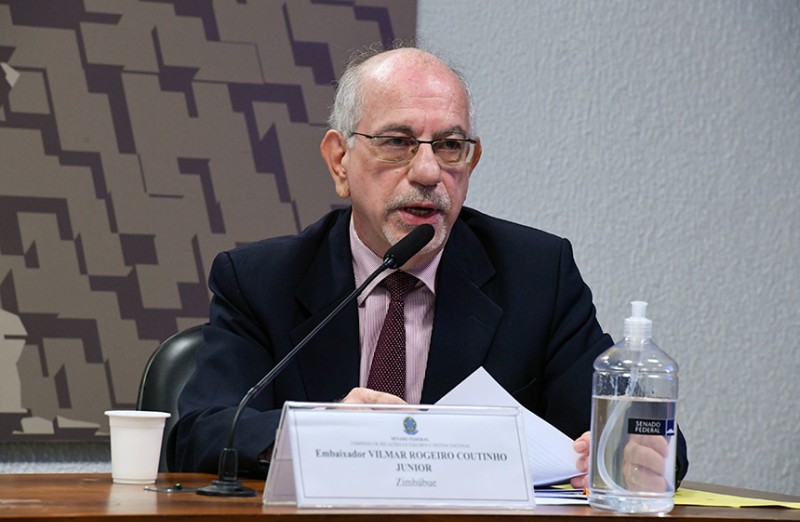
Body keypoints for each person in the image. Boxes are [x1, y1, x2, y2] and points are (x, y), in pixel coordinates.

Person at [169, 45, 688, 489]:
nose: (427, 171)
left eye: (450, 146)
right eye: (397, 142)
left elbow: (648, 438)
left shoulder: (536, 276)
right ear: (339, 161)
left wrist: (633, 454)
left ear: (471, 162)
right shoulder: (262, 280)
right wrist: (323, 430)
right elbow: (199, 432)